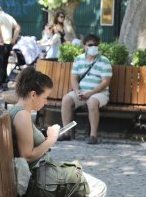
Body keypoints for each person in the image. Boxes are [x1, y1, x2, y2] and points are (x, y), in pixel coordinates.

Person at [9, 67, 107, 196]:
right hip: (37, 180)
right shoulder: (22, 115)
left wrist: (45, 137)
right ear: (33, 95)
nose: (46, 101)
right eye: (45, 97)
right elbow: (27, 156)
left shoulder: (19, 112)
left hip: (42, 173)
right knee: (98, 186)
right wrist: (51, 139)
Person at [61, 34, 112, 144]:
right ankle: (66, 133)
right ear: (84, 46)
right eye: (90, 45)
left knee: (92, 102)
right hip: (82, 92)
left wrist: (91, 93)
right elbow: (74, 78)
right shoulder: (78, 59)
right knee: (66, 100)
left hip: (99, 93)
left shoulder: (104, 61)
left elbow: (105, 82)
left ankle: (93, 136)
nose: (93, 47)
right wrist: (76, 91)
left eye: (96, 45)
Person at [0, 4, 20, 92]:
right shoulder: (8, 16)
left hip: (0, 43)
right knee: (4, 64)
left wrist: (1, 39)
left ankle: (0, 85)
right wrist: (13, 40)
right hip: (8, 43)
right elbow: (17, 27)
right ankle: (3, 84)